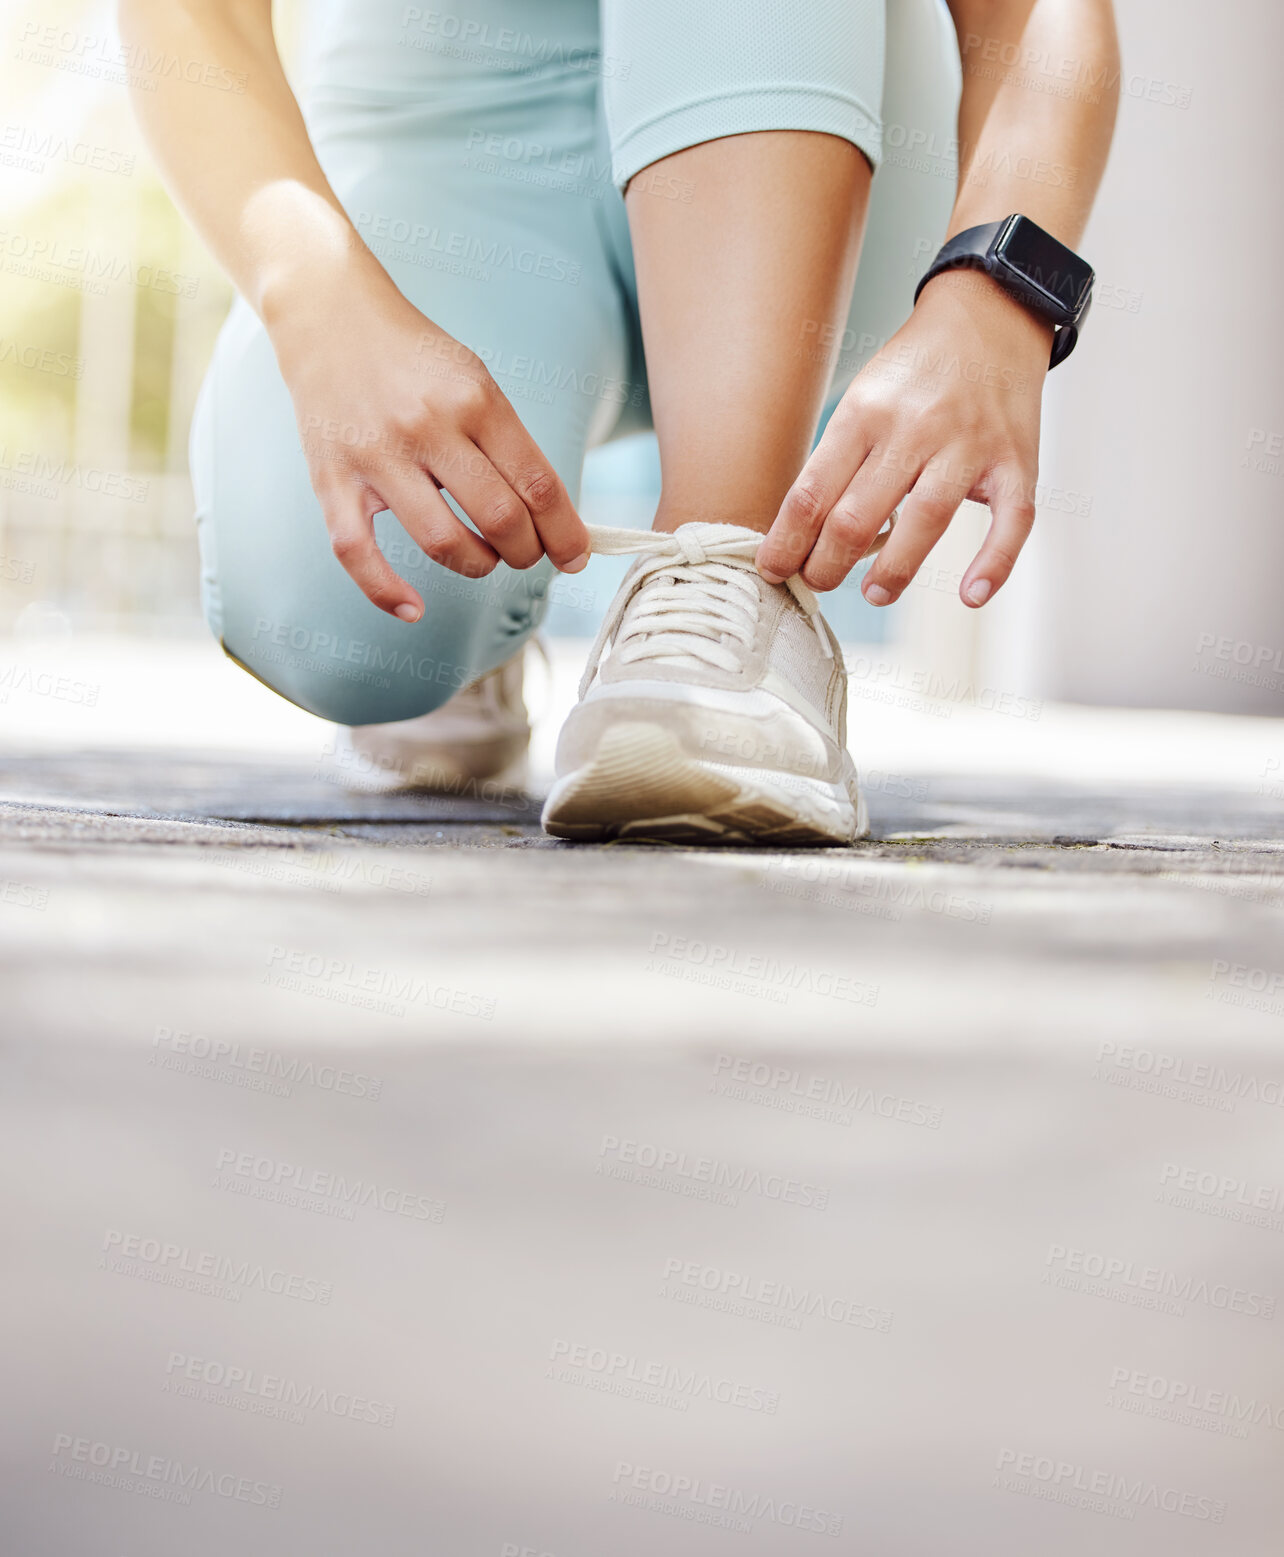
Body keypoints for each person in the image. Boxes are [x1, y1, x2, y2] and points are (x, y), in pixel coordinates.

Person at [122, 0, 1118, 844]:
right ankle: (481, 585)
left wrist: (999, 291)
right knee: (337, 614)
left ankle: (724, 576)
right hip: (449, 117)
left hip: (819, 105)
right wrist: (322, 304)